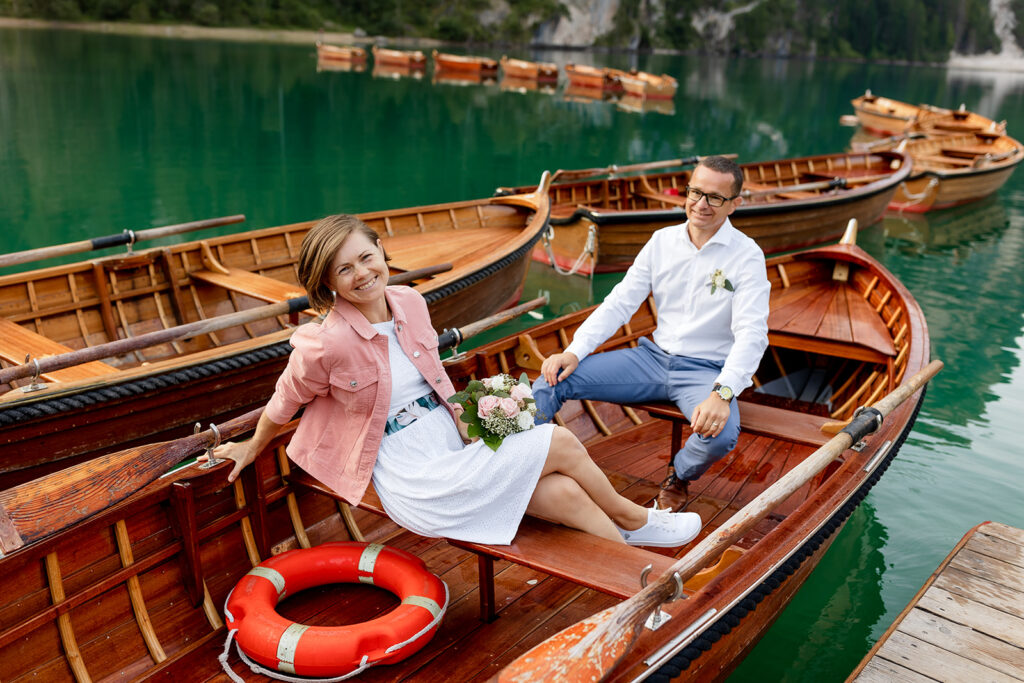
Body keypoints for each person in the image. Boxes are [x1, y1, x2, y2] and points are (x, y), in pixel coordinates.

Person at [205, 213, 702, 548]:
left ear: (382, 250)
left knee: (568, 496)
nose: (361, 274)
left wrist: (485, 418)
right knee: (559, 440)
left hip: (454, 444)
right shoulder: (324, 342)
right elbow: (283, 402)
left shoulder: (411, 303)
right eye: (343, 270)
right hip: (412, 472)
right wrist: (252, 446)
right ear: (327, 284)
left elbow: (437, 379)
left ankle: (638, 581)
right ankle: (638, 520)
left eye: (365, 257)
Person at [533, 156, 771, 511]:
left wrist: (723, 392)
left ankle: (680, 473)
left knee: (720, 436)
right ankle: (523, 463)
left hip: (705, 372)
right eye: (695, 192)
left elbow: (753, 333)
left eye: (715, 198)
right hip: (650, 359)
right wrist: (574, 351)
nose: (701, 204)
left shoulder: (747, 255)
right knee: (551, 380)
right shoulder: (662, 242)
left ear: (735, 204)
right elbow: (619, 303)